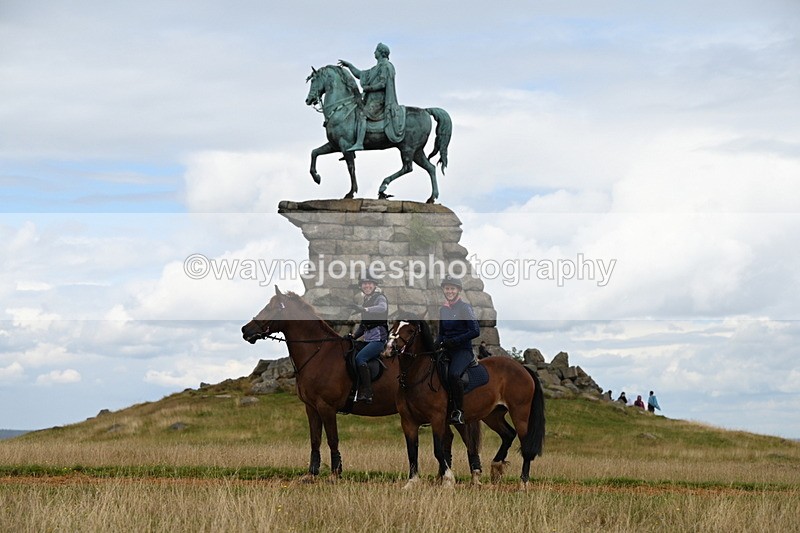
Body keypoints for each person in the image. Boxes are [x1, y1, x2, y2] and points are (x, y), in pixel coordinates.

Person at [338, 42, 405, 151]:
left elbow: (383, 84)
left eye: (376, 50)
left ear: (381, 52)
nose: (374, 52)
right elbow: (360, 74)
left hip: (379, 101)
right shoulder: (377, 67)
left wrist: (369, 88)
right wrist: (349, 65)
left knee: (362, 115)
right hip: (371, 100)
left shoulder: (385, 66)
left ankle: (359, 143)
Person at [435, 275, 480, 424]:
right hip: (447, 349)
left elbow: (475, 331)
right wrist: (435, 345)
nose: (449, 291)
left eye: (452, 288)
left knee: (454, 374)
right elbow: (441, 333)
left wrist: (455, 341)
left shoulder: (465, 308)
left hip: (463, 350)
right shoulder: (443, 309)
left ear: (458, 290)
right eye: (447, 288)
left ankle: (458, 411)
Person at [349, 277, 389, 404]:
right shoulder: (366, 301)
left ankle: (367, 392)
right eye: (364, 284)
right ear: (361, 286)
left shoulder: (380, 297)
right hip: (368, 340)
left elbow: (382, 308)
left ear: (374, 285)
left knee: (360, 358)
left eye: (369, 284)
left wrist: (364, 309)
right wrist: (353, 336)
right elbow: (363, 326)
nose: (367, 286)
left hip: (379, 340)